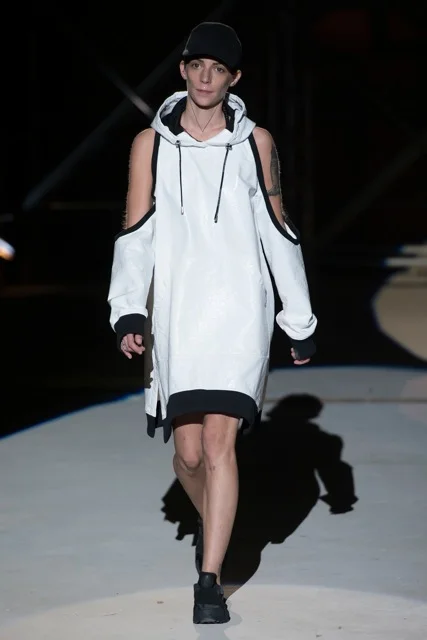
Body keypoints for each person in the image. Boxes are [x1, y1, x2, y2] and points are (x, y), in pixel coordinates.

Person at [108, 21, 317, 624]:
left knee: (220, 444)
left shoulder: (256, 144)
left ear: (234, 78)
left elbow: (278, 231)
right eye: (197, 65)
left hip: (239, 312)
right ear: (183, 70)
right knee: (190, 456)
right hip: (178, 312)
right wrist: (127, 308)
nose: (205, 77)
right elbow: (134, 230)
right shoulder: (150, 145)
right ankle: (218, 521)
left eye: (217, 69)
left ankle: (209, 580)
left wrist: (298, 318)